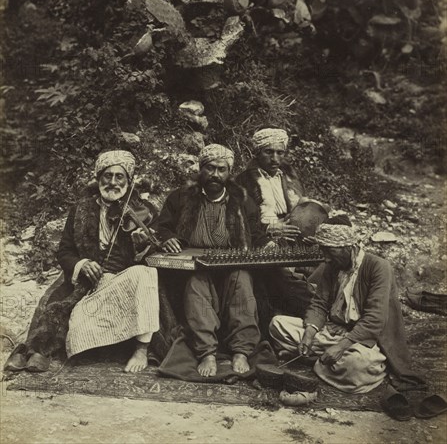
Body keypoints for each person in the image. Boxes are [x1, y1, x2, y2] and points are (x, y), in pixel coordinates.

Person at [5, 150, 161, 374]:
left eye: (120, 176)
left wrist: (143, 244)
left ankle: (141, 350)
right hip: (90, 286)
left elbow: (150, 257)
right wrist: (82, 264)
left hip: (124, 285)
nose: (113, 182)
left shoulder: (142, 211)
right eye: (107, 176)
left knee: (145, 274)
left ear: (128, 180)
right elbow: (65, 251)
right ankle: (34, 351)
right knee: (75, 331)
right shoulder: (80, 209)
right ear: (98, 178)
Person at [156, 144, 268, 377]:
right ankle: (206, 352)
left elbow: (256, 233)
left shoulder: (242, 200)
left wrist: (268, 244)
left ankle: (241, 350)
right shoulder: (180, 197)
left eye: (222, 169)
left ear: (229, 173)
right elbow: (163, 227)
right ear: (201, 169)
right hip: (196, 266)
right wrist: (168, 238)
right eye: (210, 168)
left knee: (243, 281)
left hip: (231, 264)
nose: (215, 175)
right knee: (197, 284)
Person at [269, 224, 423, 393]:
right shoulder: (332, 266)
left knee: (356, 365)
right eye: (323, 251)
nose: (325, 258)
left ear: (347, 247)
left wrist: (341, 346)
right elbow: (319, 304)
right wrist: (309, 333)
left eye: (329, 251)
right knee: (277, 325)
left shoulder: (378, 267)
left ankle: (318, 360)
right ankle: (324, 360)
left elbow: (374, 319)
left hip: (362, 339)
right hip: (332, 331)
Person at [236, 127, 321, 318]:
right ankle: (313, 310)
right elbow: (240, 222)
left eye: (280, 152)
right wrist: (270, 228)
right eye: (269, 152)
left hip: (296, 242)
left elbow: (302, 209)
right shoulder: (242, 182)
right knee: (281, 279)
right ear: (257, 152)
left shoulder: (291, 178)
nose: (275, 158)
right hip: (264, 243)